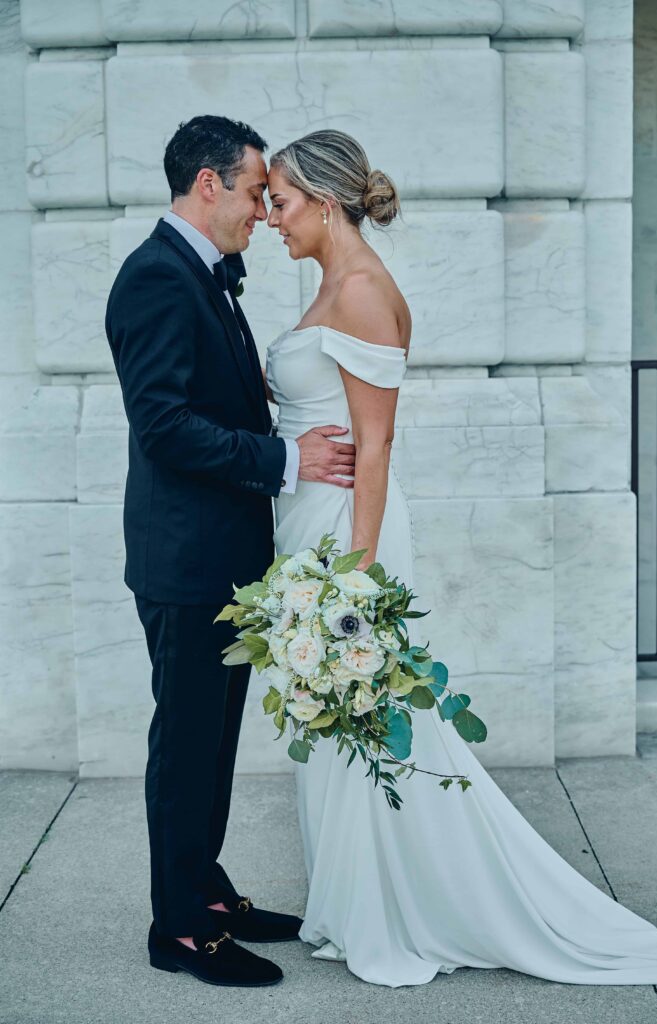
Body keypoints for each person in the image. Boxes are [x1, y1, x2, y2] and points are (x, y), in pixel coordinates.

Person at [264, 128, 657, 988]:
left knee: (370, 721)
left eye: (280, 200)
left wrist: (356, 580)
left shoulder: (366, 292)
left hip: (350, 536)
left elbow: (374, 449)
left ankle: (403, 910)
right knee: (336, 726)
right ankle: (353, 904)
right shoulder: (329, 288)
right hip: (311, 524)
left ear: (324, 201)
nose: (270, 216)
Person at [104, 115, 356, 988]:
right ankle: (179, 930)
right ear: (207, 183)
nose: (261, 210)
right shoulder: (154, 279)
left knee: (210, 744)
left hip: (222, 558)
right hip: (185, 563)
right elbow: (167, 428)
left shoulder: (200, 275)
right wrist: (286, 460)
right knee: (185, 745)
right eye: (254, 191)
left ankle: (204, 891)